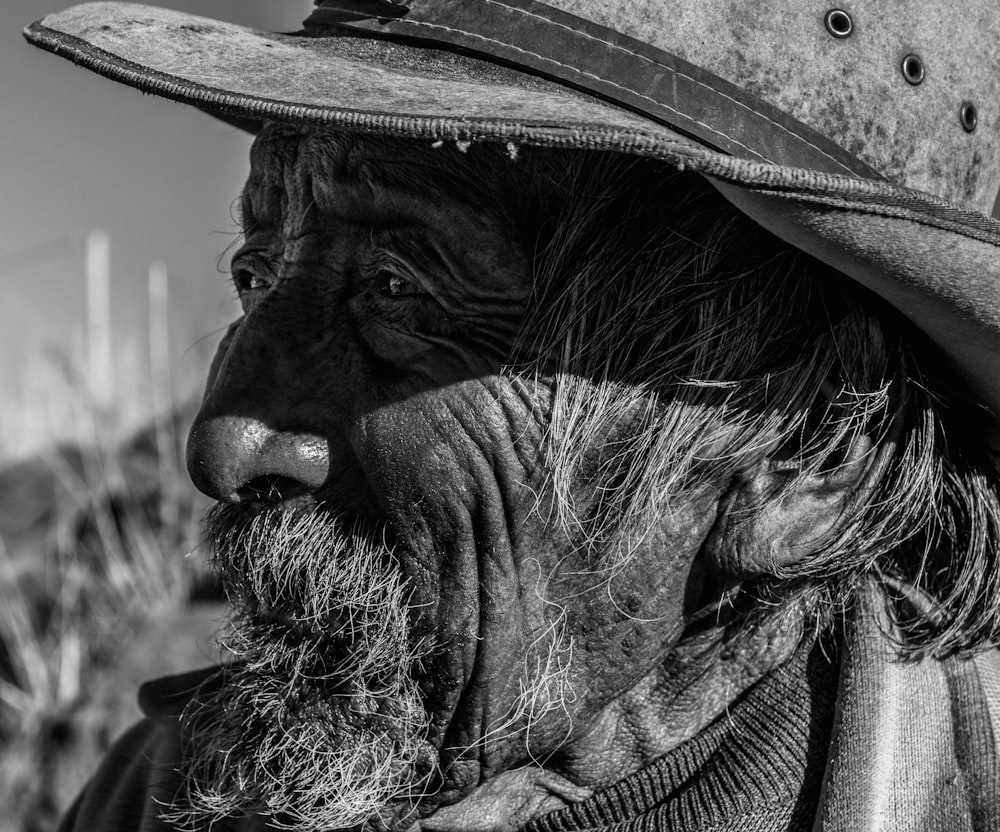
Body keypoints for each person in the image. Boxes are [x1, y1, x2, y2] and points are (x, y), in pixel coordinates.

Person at [24, 2, 1000, 830]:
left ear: (809, 451)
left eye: (400, 286)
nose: (224, 441)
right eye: (259, 275)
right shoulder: (156, 796)